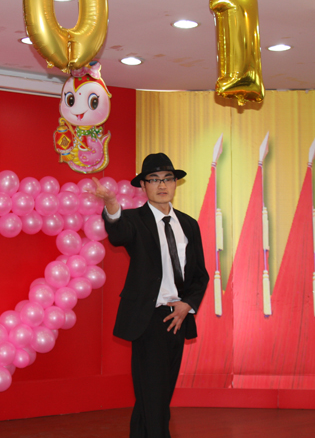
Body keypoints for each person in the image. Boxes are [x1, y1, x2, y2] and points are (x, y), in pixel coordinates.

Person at [91, 153, 209, 438]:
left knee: (157, 394)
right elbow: (119, 234)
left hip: (178, 316)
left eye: (168, 179)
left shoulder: (189, 224)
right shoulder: (134, 219)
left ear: (176, 183)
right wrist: (111, 204)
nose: (162, 185)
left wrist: (187, 305)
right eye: (154, 180)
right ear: (143, 186)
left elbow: (200, 275)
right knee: (154, 396)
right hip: (149, 318)